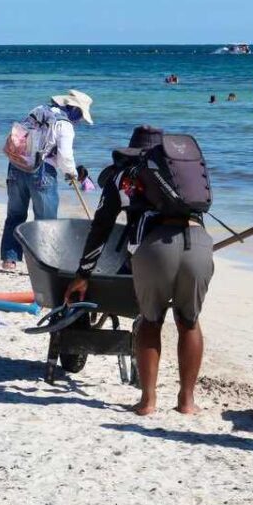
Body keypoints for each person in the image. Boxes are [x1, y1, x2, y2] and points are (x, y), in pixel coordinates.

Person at [65, 126, 215, 416]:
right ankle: (187, 402)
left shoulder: (124, 177)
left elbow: (101, 228)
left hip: (154, 249)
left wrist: (83, 274)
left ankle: (148, 402)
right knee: (189, 322)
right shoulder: (181, 177)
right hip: (198, 244)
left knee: (150, 321)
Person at [0, 89, 94, 269]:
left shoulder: (38, 110)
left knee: (15, 215)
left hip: (16, 166)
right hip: (42, 172)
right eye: (80, 114)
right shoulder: (65, 125)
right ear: (73, 109)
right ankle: (43, 264)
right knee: (45, 221)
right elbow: (65, 156)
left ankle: (9, 260)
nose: (79, 119)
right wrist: (72, 173)